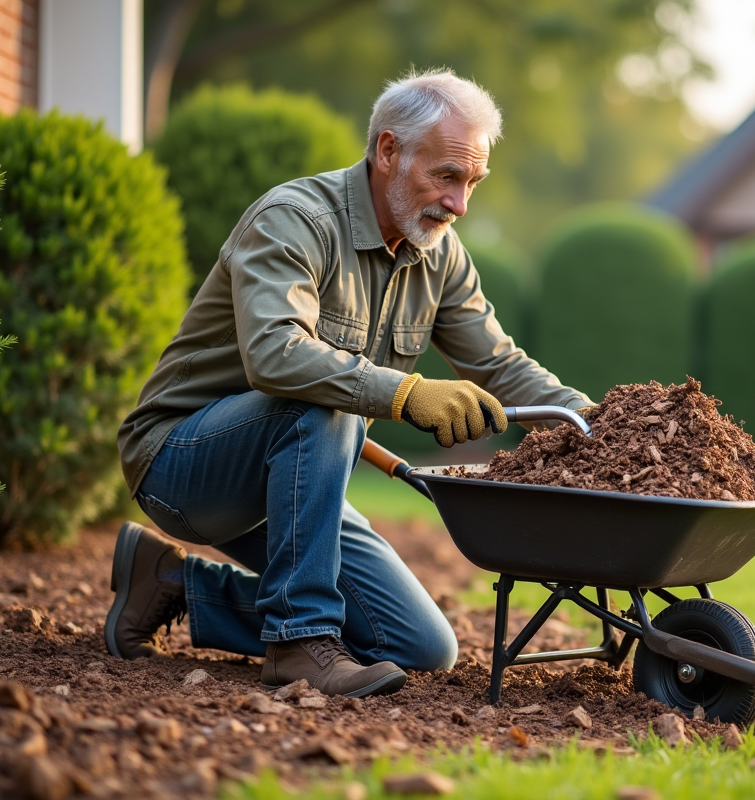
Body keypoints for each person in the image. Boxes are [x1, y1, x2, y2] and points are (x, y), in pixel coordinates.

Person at [108, 69, 592, 698]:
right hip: (182, 465)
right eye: (446, 175)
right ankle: (300, 643)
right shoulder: (295, 219)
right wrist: (407, 393)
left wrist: (605, 422)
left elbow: (499, 364)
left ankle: (173, 586)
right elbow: (276, 356)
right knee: (324, 397)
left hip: (292, 473)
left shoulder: (437, 252)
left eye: (472, 182)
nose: (460, 203)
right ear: (388, 151)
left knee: (420, 645)